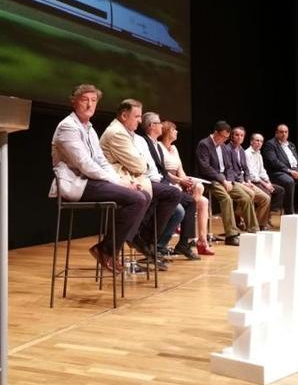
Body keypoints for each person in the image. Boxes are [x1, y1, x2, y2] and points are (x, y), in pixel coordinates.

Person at [51, 85, 150, 274]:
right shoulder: (67, 127)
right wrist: (118, 182)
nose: (90, 104)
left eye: (94, 100)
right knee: (136, 198)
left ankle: (108, 249)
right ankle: (106, 250)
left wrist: (122, 181)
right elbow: (85, 164)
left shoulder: (89, 128)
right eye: (85, 99)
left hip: (92, 181)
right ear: (74, 101)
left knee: (142, 195)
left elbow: (101, 161)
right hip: (75, 184)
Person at [100, 100, 181, 269]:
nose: (139, 121)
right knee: (158, 195)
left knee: (166, 195)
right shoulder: (117, 133)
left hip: (134, 179)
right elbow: (140, 165)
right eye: (137, 117)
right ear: (124, 116)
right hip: (119, 180)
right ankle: (139, 240)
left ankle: (142, 240)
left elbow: (140, 164)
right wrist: (140, 166)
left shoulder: (127, 134)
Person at [138, 112, 200, 260]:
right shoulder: (145, 143)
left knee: (191, 201)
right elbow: (151, 170)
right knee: (179, 210)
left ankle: (183, 243)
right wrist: (176, 182)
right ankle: (155, 245)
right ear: (152, 126)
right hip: (153, 184)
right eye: (159, 123)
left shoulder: (156, 146)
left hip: (164, 183)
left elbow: (163, 171)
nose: (161, 125)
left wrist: (181, 182)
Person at [195, 121, 259, 246]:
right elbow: (205, 168)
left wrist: (229, 180)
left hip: (225, 180)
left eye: (226, 137)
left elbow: (229, 167)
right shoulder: (204, 144)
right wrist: (222, 180)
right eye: (222, 136)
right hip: (210, 180)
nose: (224, 140)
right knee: (226, 199)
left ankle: (253, 230)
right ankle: (231, 235)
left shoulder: (223, 146)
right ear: (215, 133)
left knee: (246, 197)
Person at [158, 121, 214, 255]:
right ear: (167, 131)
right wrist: (180, 181)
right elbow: (163, 173)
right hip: (167, 183)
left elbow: (180, 170)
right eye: (174, 129)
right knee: (194, 201)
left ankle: (201, 241)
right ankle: (187, 232)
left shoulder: (174, 148)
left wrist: (187, 181)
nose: (177, 132)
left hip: (178, 183)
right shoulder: (159, 147)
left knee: (202, 196)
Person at [263, 124, 298, 215]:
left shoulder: (291, 144)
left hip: (295, 171)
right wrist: (290, 171)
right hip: (279, 172)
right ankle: (289, 212)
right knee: (289, 181)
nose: (284, 134)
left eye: (286, 132)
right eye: (281, 132)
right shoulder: (270, 144)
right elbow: (273, 161)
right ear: (276, 133)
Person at [244, 132, 285, 228]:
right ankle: (260, 223)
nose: (259, 143)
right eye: (257, 141)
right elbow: (251, 174)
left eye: (261, 141)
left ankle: (267, 215)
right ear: (251, 142)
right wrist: (265, 184)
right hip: (252, 181)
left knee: (280, 190)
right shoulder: (247, 153)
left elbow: (262, 171)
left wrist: (269, 182)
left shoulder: (259, 154)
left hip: (260, 181)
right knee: (267, 193)